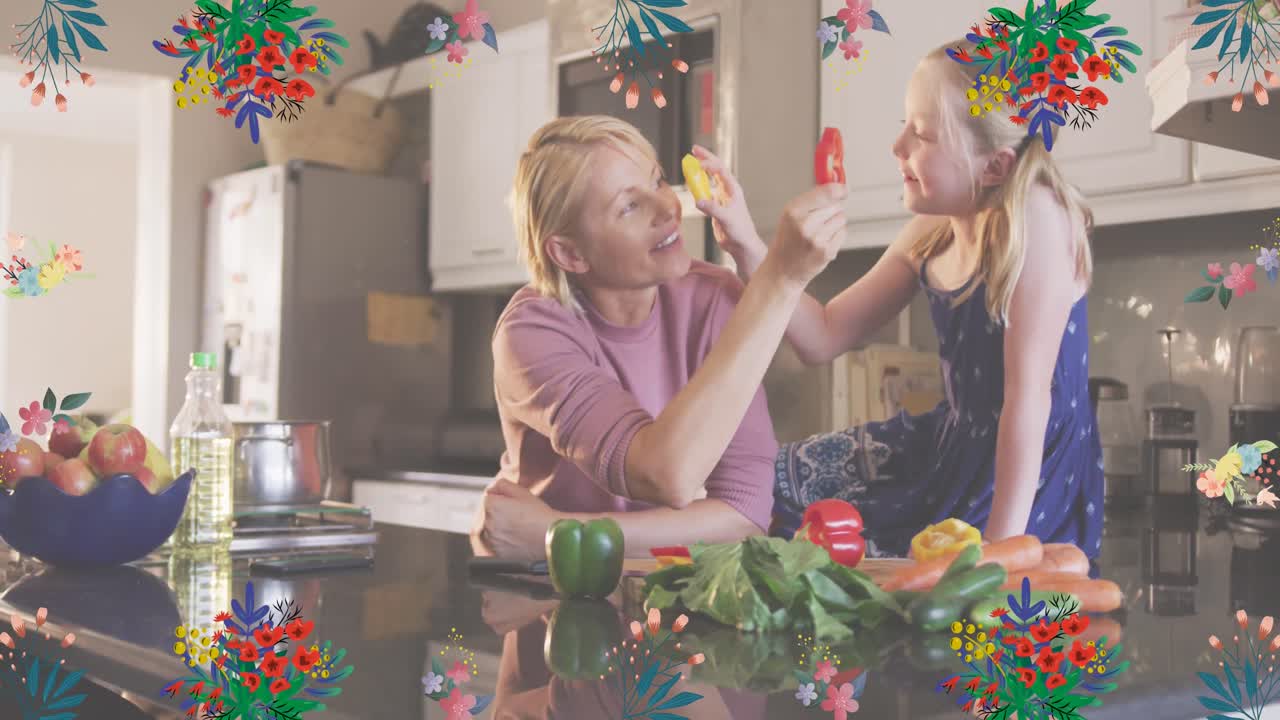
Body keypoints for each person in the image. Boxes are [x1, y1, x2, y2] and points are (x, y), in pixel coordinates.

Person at [724, 40, 1103, 558]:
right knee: (758, 483)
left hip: (1029, 474)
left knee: (917, 576)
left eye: (921, 134)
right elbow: (824, 336)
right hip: (949, 446)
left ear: (993, 167)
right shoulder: (934, 227)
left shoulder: (1037, 220)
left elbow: (1028, 400)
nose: (897, 145)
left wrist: (1000, 551)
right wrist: (747, 245)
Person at [470, 115, 847, 561]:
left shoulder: (714, 299)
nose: (669, 208)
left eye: (659, 181)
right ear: (570, 253)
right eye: (629, 206)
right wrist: (780, 277)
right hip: (546, 590)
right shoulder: (532, 333)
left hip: (639, 585)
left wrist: (559, 534)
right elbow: (664, 475)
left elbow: (744, 515)